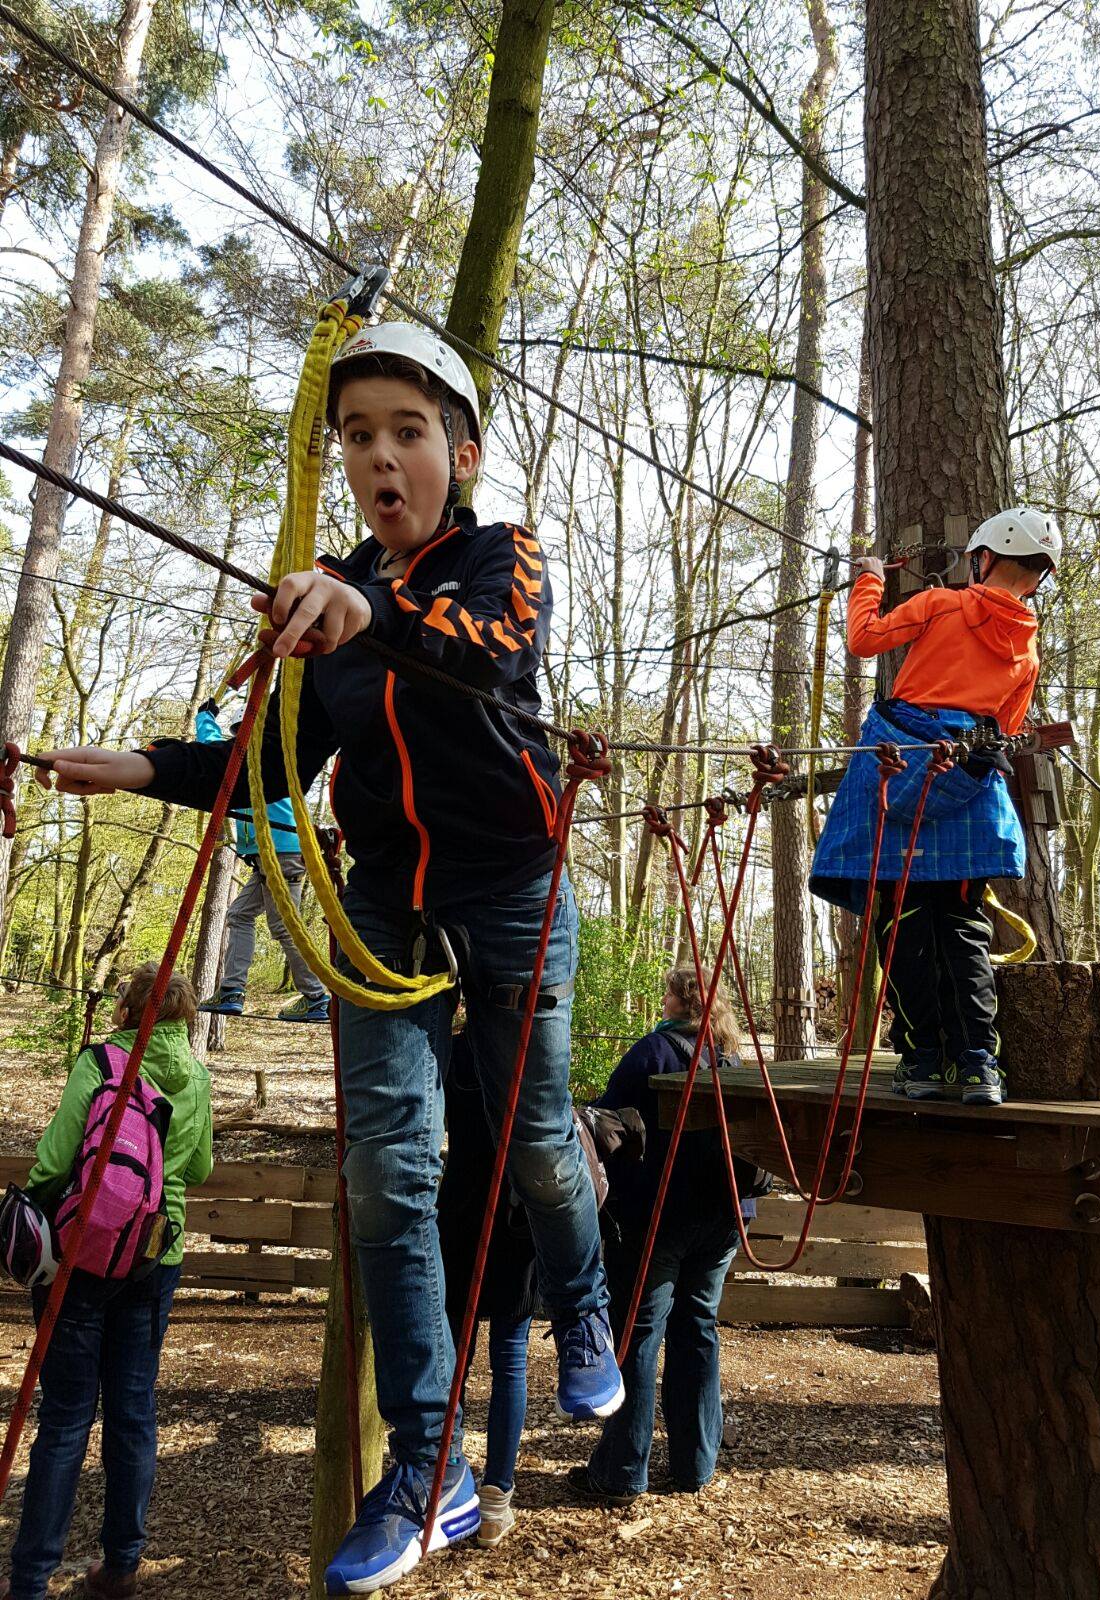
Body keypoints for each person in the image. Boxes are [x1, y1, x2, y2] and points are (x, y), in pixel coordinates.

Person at [36, 321, 620, 1590]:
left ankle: (582, 1290)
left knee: (529, 1139)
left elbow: (485, 649)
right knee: (384, 1176)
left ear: (458, 455)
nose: (380, 458)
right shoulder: (332, 601)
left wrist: (364, 607)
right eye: (358, 437)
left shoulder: (497, 561)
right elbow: (270, 759)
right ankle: (427, 1466)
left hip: (515, 885)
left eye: (407, 433)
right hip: (389, 904)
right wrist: (131, 767)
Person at [810, 507, 1061, 1107]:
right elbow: (1007, 726)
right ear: (1037, 575)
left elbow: (864, 638)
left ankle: (922, 1061)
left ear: (987, 557)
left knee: (903, 923)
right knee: (965, 926)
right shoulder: (1027, 655)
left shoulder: (944, 604)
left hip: (902, 758)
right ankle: (978, 1065)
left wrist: (868, 578)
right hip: (968, 776)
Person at [1, 966, 213, 1600]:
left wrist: (27, 1214)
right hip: (155, 1255)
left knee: (66, 1417)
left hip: (85, 1256)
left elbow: (56, 1156)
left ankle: (31, 1579)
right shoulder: (197, 1077)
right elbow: (198, 1167)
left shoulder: (102, 1062)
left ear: (129, 1009)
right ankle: (122, 1563)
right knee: (132, 1410)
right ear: (183, 1014)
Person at [568, 966, 750, 1505]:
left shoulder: (652, 1054)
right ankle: (695, 1463)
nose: (662, 998)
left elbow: (606, 1124)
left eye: (668, 990)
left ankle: (623, 1470)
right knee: (697, 1327)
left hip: (659, 1218)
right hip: (721, 1220)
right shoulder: (731, 1058)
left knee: (640, 1334)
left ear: (681, 1000)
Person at [436, 1030, 537, 1549]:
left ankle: (449, 1481)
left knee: (457, 1354)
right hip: (514, 1218)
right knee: (507, 1356)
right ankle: (492, 1499)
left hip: (465, 1210)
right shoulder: (528, 1045)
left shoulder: (455, 1049)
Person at [194, 699, 329, 1023]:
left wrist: (204, 718)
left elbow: (213, 749)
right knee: (239, 915)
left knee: (283, 926)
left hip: (281, 854)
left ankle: (316, 997)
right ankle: (232, 991)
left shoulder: (258, 760)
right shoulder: (264, 761)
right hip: (272, 857)